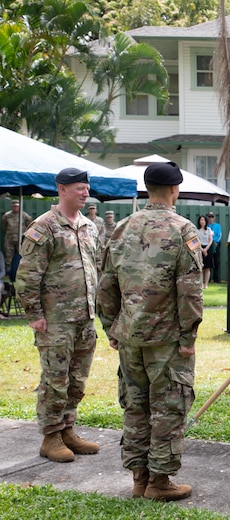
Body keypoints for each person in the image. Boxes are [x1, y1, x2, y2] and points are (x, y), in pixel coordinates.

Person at [97, 161, 203, 501]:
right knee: (169, 407)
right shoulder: (182, 229)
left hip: (130, 335)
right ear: (175, 190)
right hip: (167, 339)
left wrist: (112, 326)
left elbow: (106, 285)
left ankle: (139, 478)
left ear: (147, 189)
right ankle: (158, 482)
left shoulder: (122, 228)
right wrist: (188, 337)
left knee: (136, 406)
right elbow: (190, 290)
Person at [15, 168, 102, 463]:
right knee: (55, 379)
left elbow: (96, 269)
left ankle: (68, 429)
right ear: (62, 189)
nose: (85, 192)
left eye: (87, 188)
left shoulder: (90, 226)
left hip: (85, 317)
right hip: (55, 320)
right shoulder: (45, 226)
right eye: (79, 188)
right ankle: (50, 436)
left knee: (77, 378)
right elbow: (27, 276)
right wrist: (34, 314)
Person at [2, 199, 33, 270]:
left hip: (20, 238)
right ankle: (9, 272)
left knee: (22, 255)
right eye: (14, 206)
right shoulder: (7, 215)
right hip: (9, 238)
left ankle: (20, 271)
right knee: (9, 256)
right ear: (11, 206)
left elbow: (29, 225)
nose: (15, 207)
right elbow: (4, 226)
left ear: (19, 206)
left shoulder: (24, 215)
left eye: (17, 206)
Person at [196, 215, 213, 289]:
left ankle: (206, 284)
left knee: (207, 267)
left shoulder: (209, 230)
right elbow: (196, 241)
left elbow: (210, 240)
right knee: (201, 267)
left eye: (203, 220)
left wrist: (206, 249)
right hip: (200, 248)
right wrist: (202, 249)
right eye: (201, 220)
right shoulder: (197, 230)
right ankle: (201, 283)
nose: (202, 221)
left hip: (207, 248)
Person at [207, 212, 222, 283]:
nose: (211, 218)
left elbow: (219, 235)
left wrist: (215, 242)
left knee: (216, 261)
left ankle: (216, 278)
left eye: (212, 216)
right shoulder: (206, 226)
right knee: (209, 261)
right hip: (208, 245)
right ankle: (208, 278)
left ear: (214, 217)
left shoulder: (217, 226)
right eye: (209, 216)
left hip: (216, 244)